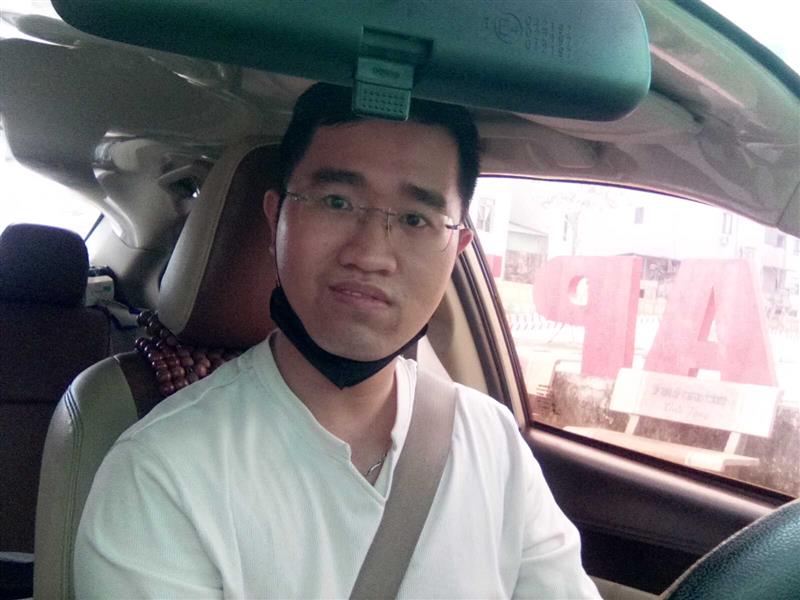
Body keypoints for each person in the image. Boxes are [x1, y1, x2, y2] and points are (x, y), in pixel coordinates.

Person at [74, 83, 600, 599]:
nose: (370, 254)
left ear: (457, 249)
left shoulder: (493, 441)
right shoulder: (162, 471)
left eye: (415, 218)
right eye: (337, 202)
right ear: (276, 219)